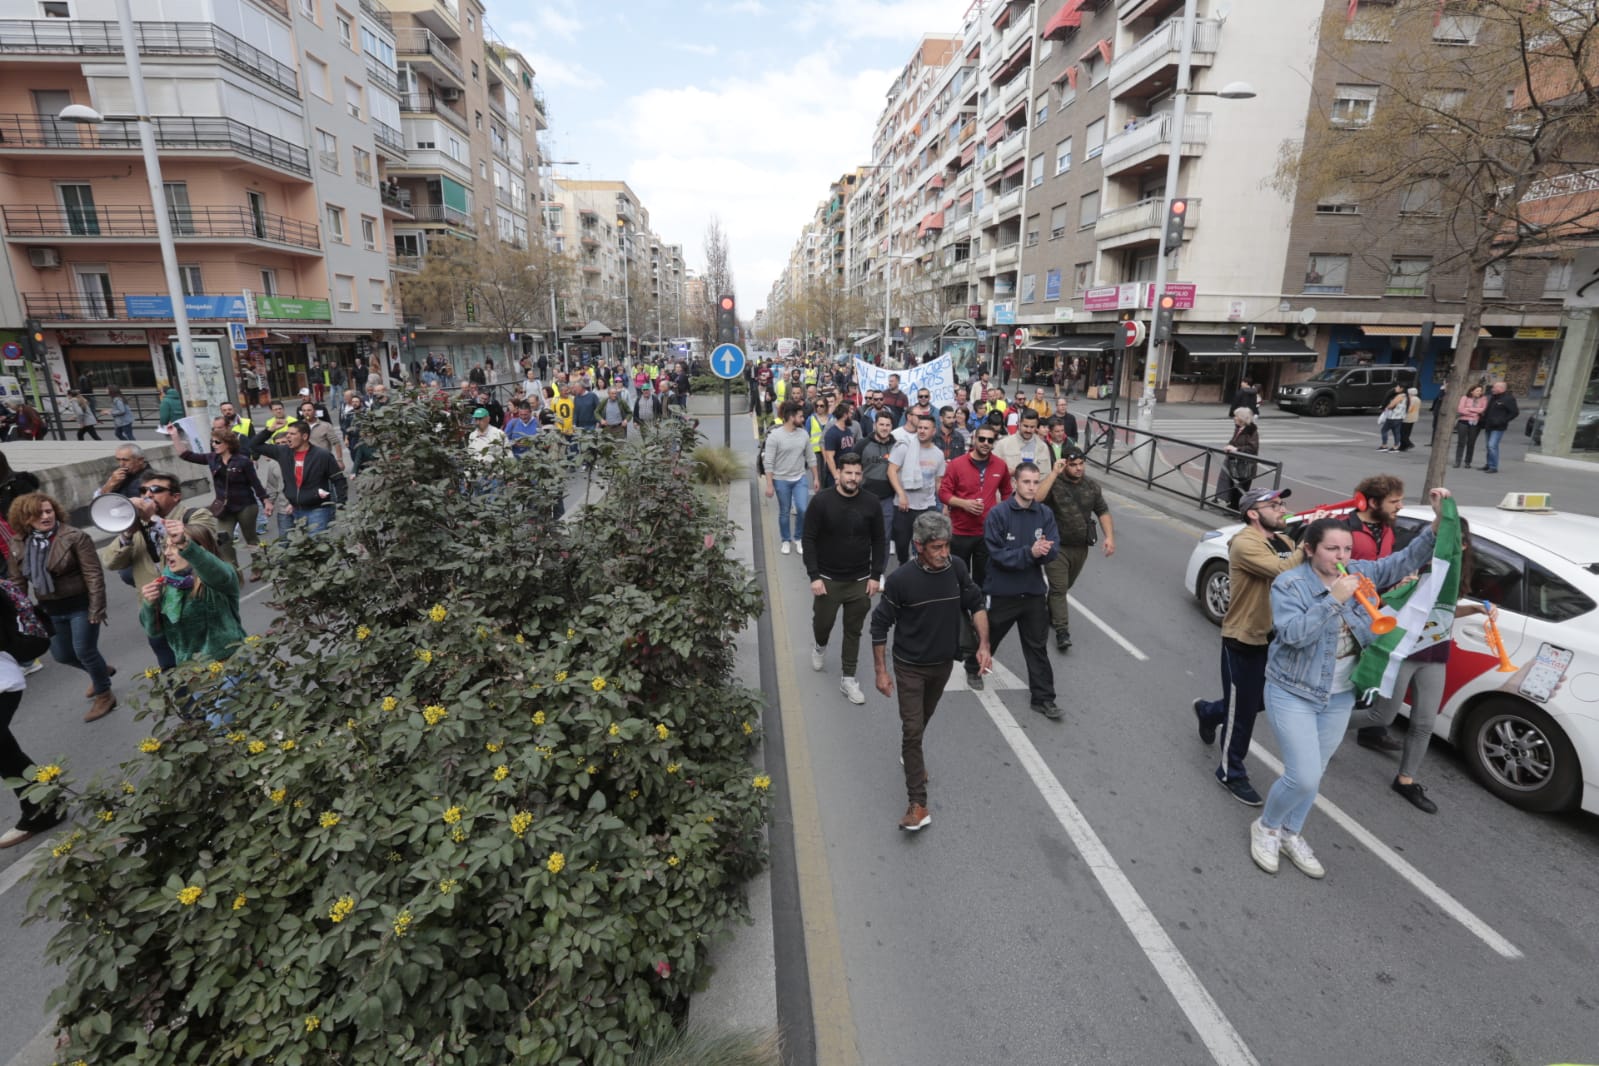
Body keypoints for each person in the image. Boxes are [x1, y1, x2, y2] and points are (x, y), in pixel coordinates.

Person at [1249, 489, 1450, 879]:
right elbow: (1291, 635)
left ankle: (1291, 832)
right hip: (1293, 690)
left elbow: (1403, 561)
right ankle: (1267, 827)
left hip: (1339, 694)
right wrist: (1334, 601)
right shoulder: (1289, 585)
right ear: (1310, 550)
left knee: (1317, 771)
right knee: (1302, 775)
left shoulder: (1360, 573)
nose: (1341, 557)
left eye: (1345, 549)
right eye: (1331, 550)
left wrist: (1438, 523)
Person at [1347, 519, 1480, 815]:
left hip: (1434, 655)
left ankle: (1406, 779)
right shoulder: (1426, 568)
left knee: (1425, 723)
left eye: (1454, 541)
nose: (1448, 547)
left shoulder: (1456, 575)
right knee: (1382, 713)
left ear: (1464, 545)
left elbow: (1442, 613)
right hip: (1404, 652)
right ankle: (1327, 726)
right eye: (1443, 539)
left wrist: (1475, 608)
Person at [869, 511, 991, 832]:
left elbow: (976, 603)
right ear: (918, 546)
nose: (944, 554)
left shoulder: (957, 568)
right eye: (936, 547)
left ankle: (913, 760)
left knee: (921, 721)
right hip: (909, 666)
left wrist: (984, 645)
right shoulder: (900, 581)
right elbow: (880, 624)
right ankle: (918, 804)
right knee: (912, 730)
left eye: (947, 546)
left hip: (942, 665)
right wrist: (881, 671)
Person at [1193, 488, 1303, 806]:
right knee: (1242, 712)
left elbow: (1297, 573)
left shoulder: (1282, 541)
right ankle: (1231, 772)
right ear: (1254, 513)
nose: (1282, 509)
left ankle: (1210, 711)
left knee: (1260, 701)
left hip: (1273, 637)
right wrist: (1310, 543)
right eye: (1274, 505)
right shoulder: (1244, 543)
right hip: (1243, 637)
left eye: (1282, 503)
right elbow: (1283, 569)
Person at [6, 492, 116, 721]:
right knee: (62, 655)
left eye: (49, 511)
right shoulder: (19, 543)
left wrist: (97, 608)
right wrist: (19, 614)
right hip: (50, 609)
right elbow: (17, 583)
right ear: (25, 518)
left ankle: (104, 693)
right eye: (39, 513)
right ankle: (99, 670)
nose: (46, 516)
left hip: (80, 605)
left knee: (84, 650)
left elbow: (93, 575)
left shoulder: (74, 536)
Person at [802, 451, 886, 706]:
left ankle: (848, 678)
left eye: (857, 473)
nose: (852, 478)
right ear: (837, 473)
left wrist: (875, 576)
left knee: (854, 630)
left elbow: (879, 540)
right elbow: (809, 539)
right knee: (823, 624)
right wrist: (814, 576)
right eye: (848, 473)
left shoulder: (871, 503)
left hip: (860, 580)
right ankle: (820, 645)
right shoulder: (821, 501)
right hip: (827, 579)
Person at [982, 462, 1062, 719]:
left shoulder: (1045, 514)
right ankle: (974, 664)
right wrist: (1030, 553)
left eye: (1036, 482)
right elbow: (998, 555)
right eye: (1026, 482)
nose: (1031, 487)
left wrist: (1040, 553)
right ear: (1015, 483)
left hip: (1033, 592)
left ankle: (1043, 698)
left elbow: (1054, 549)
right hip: (1004, 592)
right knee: (989, 638)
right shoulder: (999, 514)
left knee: (1037, 646)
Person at [138, 521, 245, 693]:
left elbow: (217, 572)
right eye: (166, 547)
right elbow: (153, 631)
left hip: (229, 669)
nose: (167, 552)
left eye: (175, 546)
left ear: (198, 549)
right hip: (193, 676)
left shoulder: (219, 579)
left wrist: (186, 544)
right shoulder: (167, 584)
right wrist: (149, 604)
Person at [938, 423, 1011, 669]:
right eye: (982, 439)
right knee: (957, 580)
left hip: (986, 535)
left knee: (981, 583)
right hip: (959, 532)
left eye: (991, 440)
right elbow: (944, 493)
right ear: (974, 439)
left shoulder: (1000, 466)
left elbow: (1008, 493)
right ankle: (955, 622)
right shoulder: (957, 464)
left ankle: (975, 620)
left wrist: (1002, 516)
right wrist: (963, 504)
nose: (986, 444)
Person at [0, 577, 63, 847]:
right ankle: (43, 801)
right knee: (4, 750)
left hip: (3, 680)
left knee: (4, 751)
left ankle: (42, 805)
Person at [1036, 445, 1114, 652]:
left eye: (1081, 464)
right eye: (1073, 465)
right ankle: (1062, 632)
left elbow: (1102, 511)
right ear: (1064, 464)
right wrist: (1053, 473)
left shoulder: (1092, 486)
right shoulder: (1055, 483)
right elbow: (1037, 498)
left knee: (1064, 587)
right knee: (1060, 589)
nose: (1079, 468)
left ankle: (1048, 609)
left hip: (1081, 547)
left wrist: (1109, 537)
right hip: (1056, 547)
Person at [170, 428, 268, 575]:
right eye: (212, 442)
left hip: (246, 506)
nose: (214, 444)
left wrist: (266, 501)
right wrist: (174, 435)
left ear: (228, 444)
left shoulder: (243, 461)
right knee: (223, 540)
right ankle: (234, 572)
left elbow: (255, 483)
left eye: (217, 442)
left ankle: (258, 566)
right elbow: (186, 455)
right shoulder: (212, 458)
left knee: (251, 538)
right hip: (225, 509)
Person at [248, 420, 339, 534]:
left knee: (318, 543)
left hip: (318, 509)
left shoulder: (322, 455)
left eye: (292, 434)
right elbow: (253, 445)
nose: (288, 436)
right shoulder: (282, 452)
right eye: (287, 433)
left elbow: (338, 479)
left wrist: (341, 505)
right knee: (301, 547)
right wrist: (269, 430)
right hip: (295, 509)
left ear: (304, 436)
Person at [886, 412, 947, 567]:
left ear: (934, 431)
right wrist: (901, 495)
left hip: (927, 505)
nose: (921, 431)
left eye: (926, 428)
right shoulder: (904, 447)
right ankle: (903, 563)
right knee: (901, 543)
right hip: (904, 505)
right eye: (919, 427)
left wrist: (945, 504)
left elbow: (938, 481)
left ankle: (919, 568)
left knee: (926, 542)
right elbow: (891, 471)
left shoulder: (938, 454)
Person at [763, 402, 817, 556]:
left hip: (800, 478)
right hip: (781, 480)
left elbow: (810, 457)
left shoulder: (804, 434)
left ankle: (798, 538)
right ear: (791, 417)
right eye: (800, 416)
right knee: (784, 512)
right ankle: (785, 540)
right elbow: (769, 462)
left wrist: (816, 477)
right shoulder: (775, 436)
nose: (803, 418)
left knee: (802, 509)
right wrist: (769, 484)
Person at [1217, 407, 1260, 512]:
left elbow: (1252, 448)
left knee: (1241, 488)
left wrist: (1236, 449)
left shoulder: (1252, 431)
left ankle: (1238, 510)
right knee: (1233, 485)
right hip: (1235, 463)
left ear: (1242, 418)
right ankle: (1232, 507)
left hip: (1246, 465)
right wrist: (1229, 445)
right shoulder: (1238, 428)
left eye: (1236, 416)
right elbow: (1233, 440)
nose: (1234, 418)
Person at [1478, 380, 1518, 473]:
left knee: (1492, 445)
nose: (1492, 389)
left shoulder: (1508, 399)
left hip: (1498, 427)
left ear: (1501, 388)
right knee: (1488, 446)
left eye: (1494, 387)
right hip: (1489, 425)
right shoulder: (1493, 397)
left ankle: (1493, 466)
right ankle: (1488, 464)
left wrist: (1503, 420)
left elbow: (1514, 412)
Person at [993, 406, 1050, 471]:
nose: (1028, 430)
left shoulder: (1043, 447)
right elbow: (993, 470)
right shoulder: (1003, 444)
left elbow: (1046, 475)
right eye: (1025, 426)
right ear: (1019, 424)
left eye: (1032, 427)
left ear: (1036, 427)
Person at [1453, 383, 1487, 469]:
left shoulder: (1483, 399)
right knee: (1461, 442)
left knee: (1471, 443)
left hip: (1475, 423)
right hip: (1464, 421)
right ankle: (1457, 461)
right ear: (1472, 391)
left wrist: (1469, 409)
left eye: (1480, 391)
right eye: (1477, 391)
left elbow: (1482, 409)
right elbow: (1460, 409)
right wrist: (1474, 413)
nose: (1479, 392)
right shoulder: (1465, 398)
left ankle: (1468, 461)